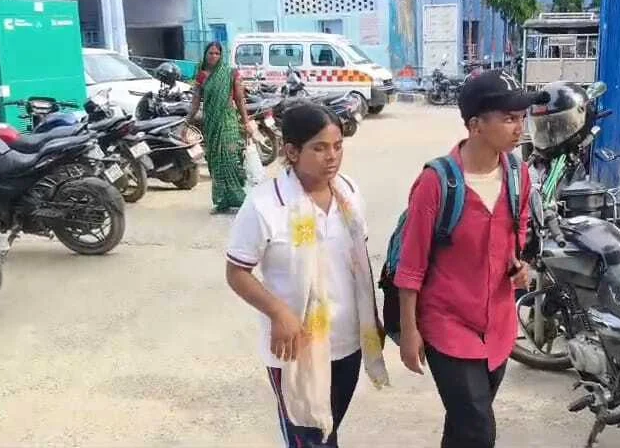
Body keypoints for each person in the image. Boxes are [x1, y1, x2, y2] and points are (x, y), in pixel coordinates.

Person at [225, 103, 389, 448]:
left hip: (347, 342)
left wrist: (371, 317)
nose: (332, 157)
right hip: (295, 347)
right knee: (308, 437)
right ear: (292, 152)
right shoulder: (266, 204)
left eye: (338, 146)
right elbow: (237, 271)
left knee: (328, 431)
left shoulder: (348, 193)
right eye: (320, 148)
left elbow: (357, 263)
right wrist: (279, 312)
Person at [394, 70, 533, 448]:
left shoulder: (518, 175)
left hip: (499, 325)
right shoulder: (437, 182)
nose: (519, 127)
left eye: (522, 117)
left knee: (463, 426)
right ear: (475, 125)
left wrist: (521, 267)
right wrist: (409, 331)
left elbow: (519, 231)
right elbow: (411, 264)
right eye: (509, 118)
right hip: (447, 324)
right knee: (478, 430)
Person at [188, 41, 258, 214]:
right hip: (211, 124)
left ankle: (241, 199)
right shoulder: (201, 76)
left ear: (221, 55)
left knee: (231, 159)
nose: (214, 56)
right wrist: (186, 122)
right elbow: (195, 102)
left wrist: (246, 122)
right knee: (215, 163)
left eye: (217, 53)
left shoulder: (230, 73)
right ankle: (221, 202)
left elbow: (239, 100)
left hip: (228, 122)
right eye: (210, 53)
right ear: (205, 54)